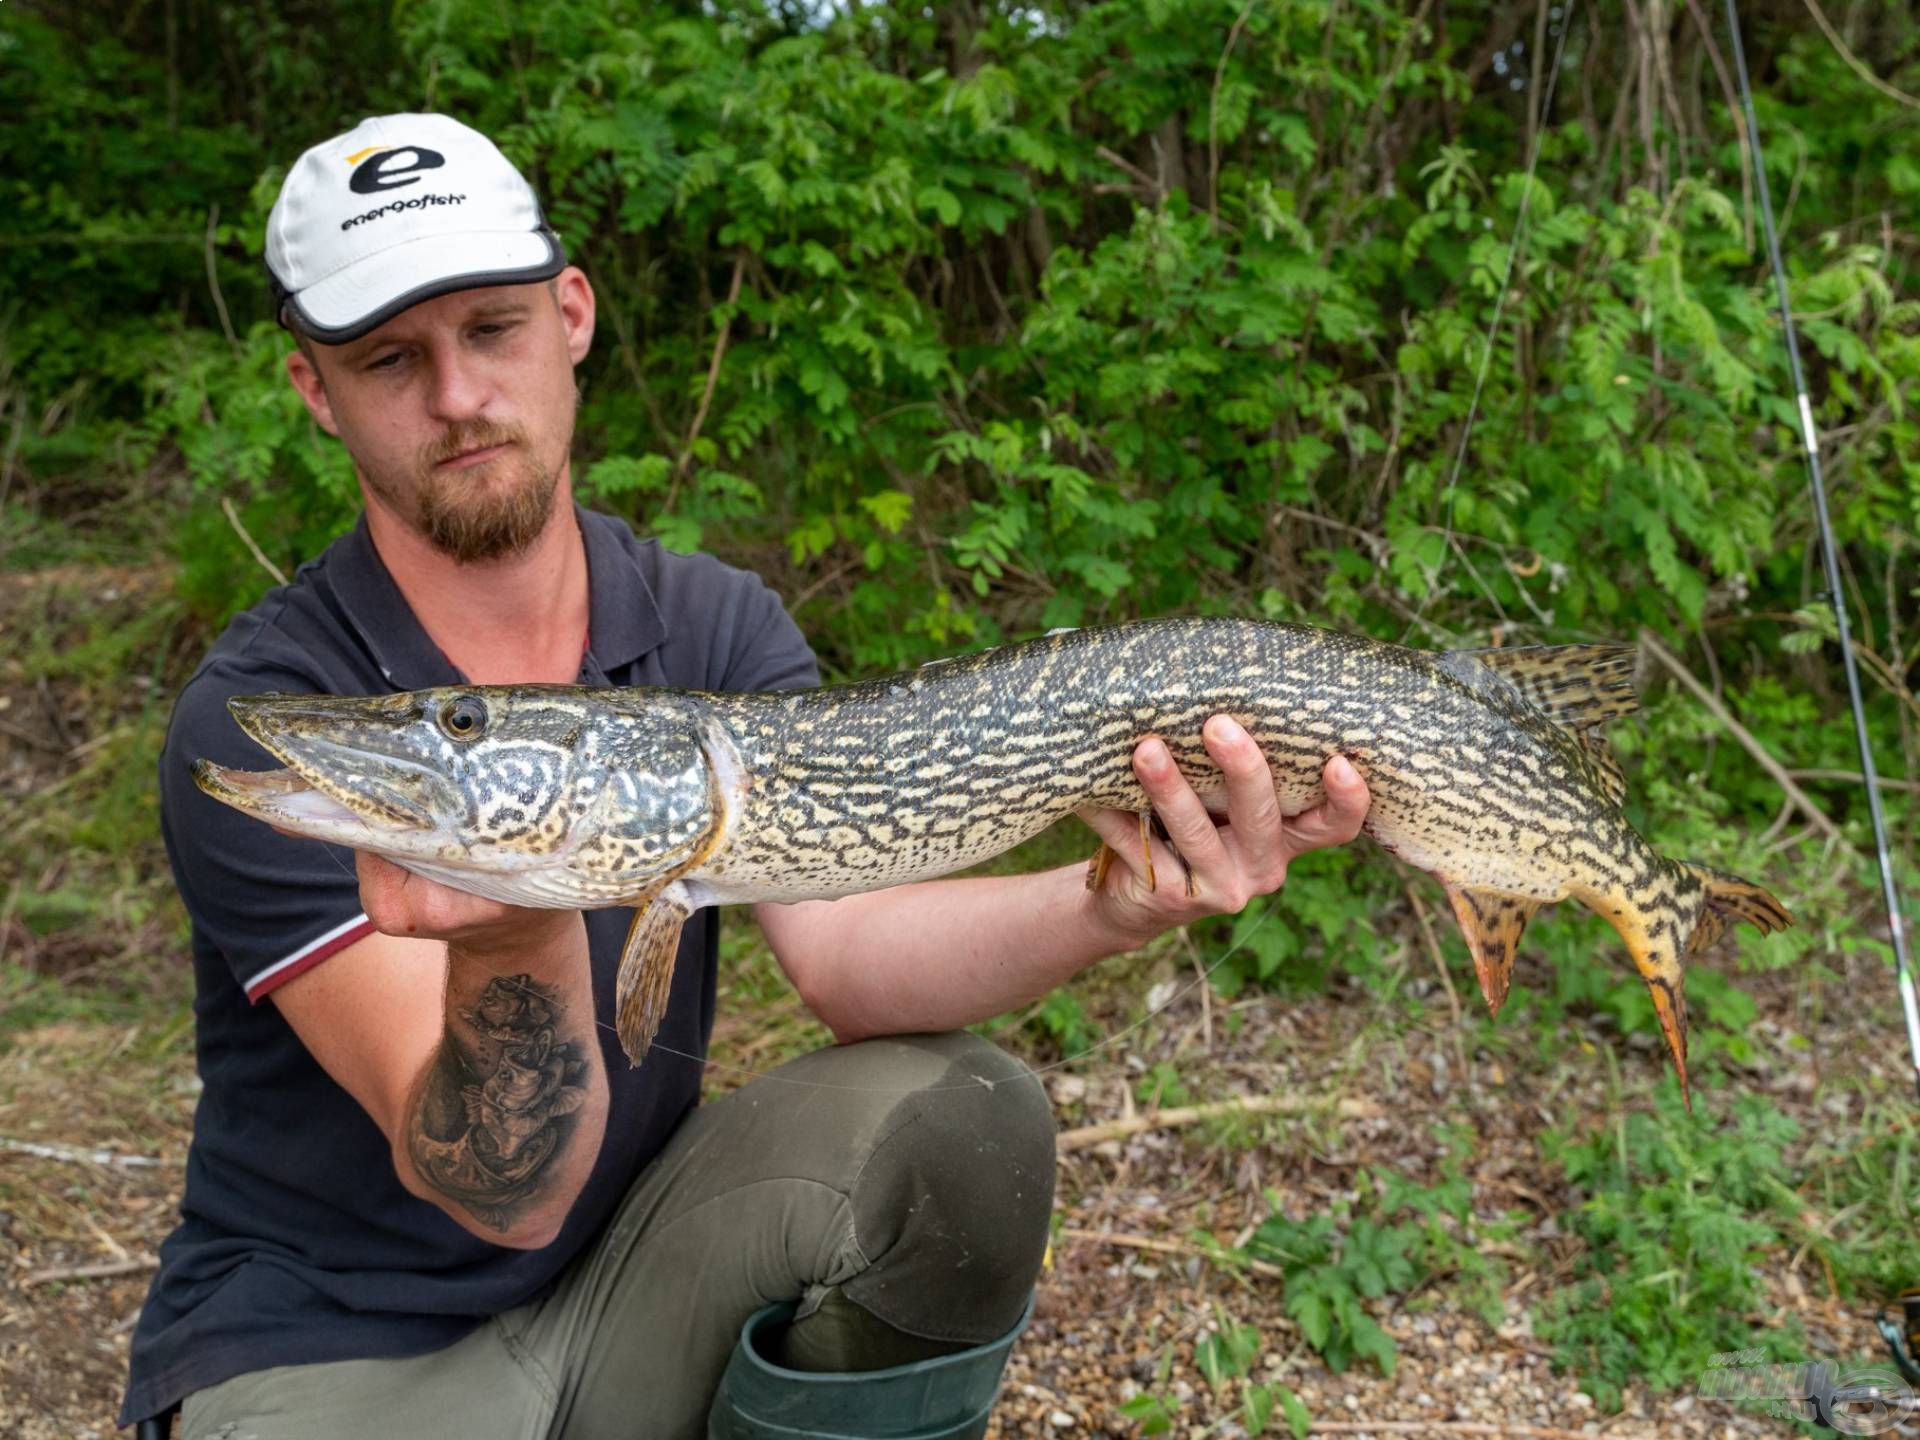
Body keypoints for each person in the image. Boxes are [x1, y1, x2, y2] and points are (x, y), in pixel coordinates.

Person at [121, 113, 1372, 1439]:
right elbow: (503, 1188)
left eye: (492, 330)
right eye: (390, 358)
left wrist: (1114, 903)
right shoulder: (274, 721)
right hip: (336, 1349)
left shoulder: (706, 624)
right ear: (318, 391)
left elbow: (845, 956)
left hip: (633, 1271)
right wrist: (523, 918)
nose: (459, 396)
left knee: (964, 1119)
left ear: (571, 315)